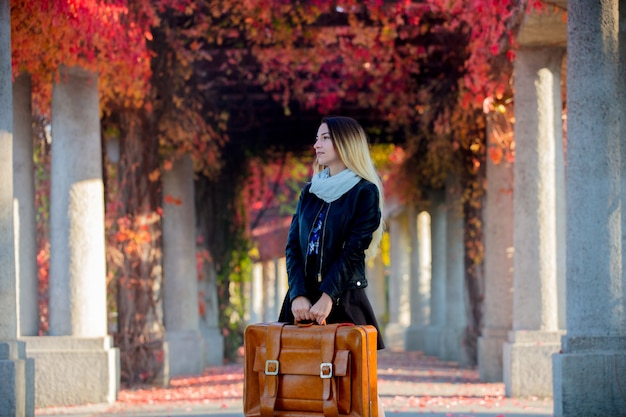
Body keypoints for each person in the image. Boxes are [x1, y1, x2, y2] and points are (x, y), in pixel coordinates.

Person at [278, 115, 386, 416]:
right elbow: (293, 248)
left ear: (345, 142)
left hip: (343, 302)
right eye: (317, 137)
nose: (316, 144)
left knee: (349, 399)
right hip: (300, 307)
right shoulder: (309, 192)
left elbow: (354, 251)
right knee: (300, 395)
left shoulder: (364, 192)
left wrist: (327, 296)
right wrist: (298, 293)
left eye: (325, 137)